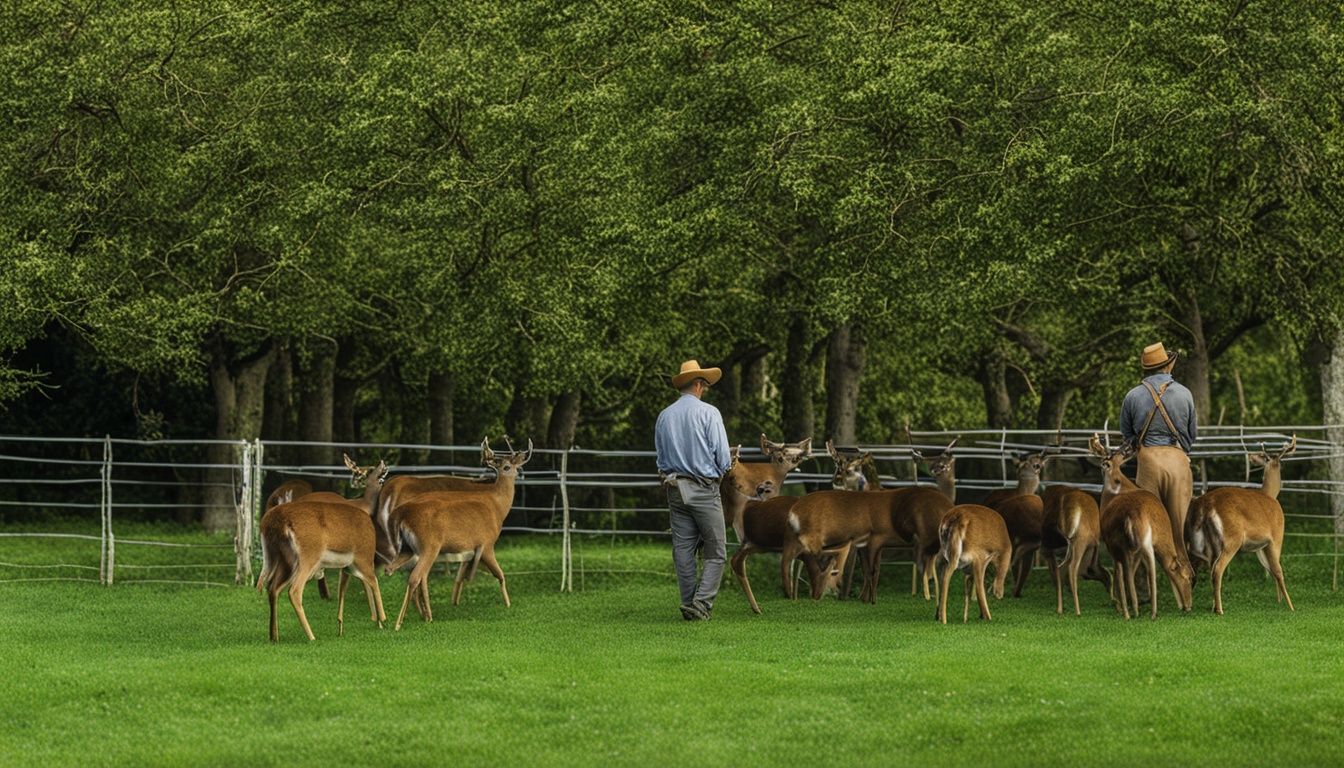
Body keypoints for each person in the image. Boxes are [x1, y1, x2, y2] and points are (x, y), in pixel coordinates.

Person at [655, 359, 732, 621]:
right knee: (717, 549)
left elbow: (661, 460)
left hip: (675, 487)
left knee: (683, 549)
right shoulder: (709, 413)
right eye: (706, 385)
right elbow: (723, 456)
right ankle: (701, 603)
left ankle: (689, 603)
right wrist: (723, 469)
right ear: (698, 384)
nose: (706, 389)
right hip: (703, 487)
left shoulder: (664, 415)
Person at [1119, 342, 1198, 554]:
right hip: (1177, 458)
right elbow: (1192, 434)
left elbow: (1126, 433)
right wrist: (1182, 451)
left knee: (1147, 521)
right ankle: (1181, 567)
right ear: (1168, 366)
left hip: (1148, 461)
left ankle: (1147, 576)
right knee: (1178, 525)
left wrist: (1140, 448)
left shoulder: (1132, 396)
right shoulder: (1185, 393)